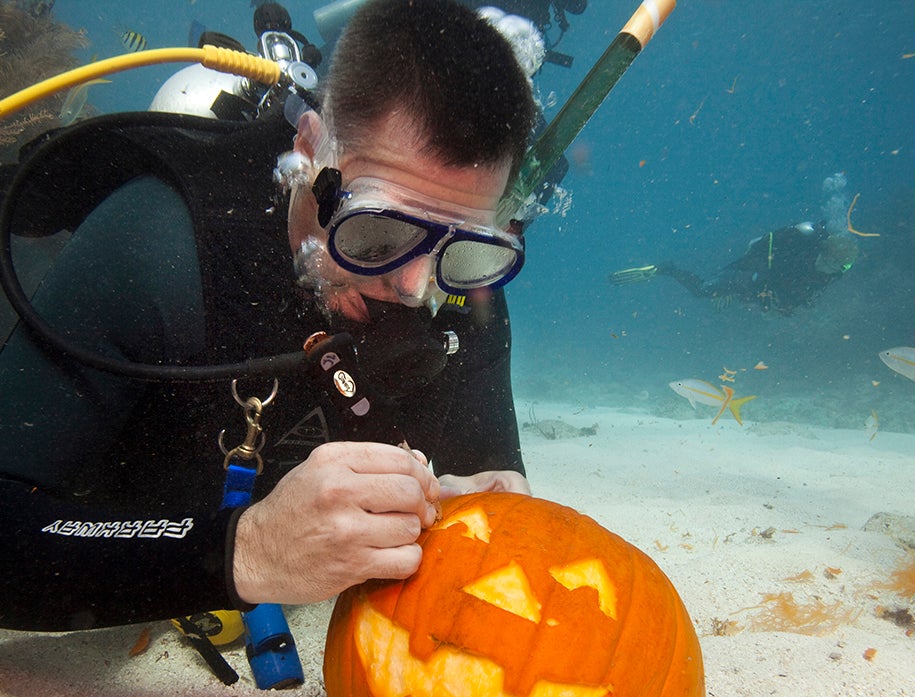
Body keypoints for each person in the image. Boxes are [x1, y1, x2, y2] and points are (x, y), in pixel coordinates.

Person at [0, 0, 537, 631]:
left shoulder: (462, 287)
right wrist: (246, 551)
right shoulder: (156, 244)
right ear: (310, 154)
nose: (416, 287)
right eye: (377, 233)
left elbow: (483, 480)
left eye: (461, 244)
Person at [610, 221, 858, 315]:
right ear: (825, 254)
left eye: (842, 268)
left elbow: (800, 294)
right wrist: (746, 289)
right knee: (704, 290)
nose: (834, 271)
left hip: (753, 289)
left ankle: (730, 293)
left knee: (723, 303)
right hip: (746, 274)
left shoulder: (830, 273)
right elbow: (766, 272)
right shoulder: (798, 257)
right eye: (834, 263)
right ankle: (667, 269)